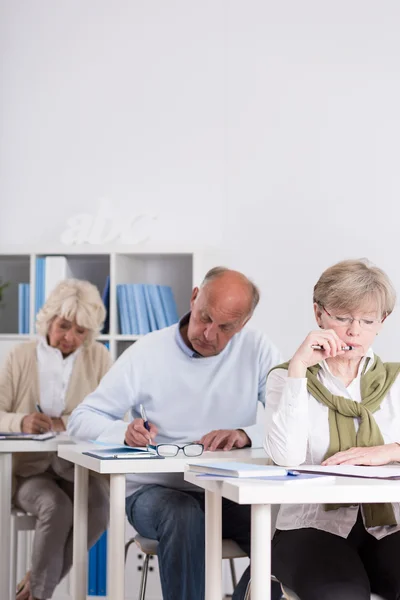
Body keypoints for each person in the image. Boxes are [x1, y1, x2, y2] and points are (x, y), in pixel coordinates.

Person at [68, 267, 282, 600]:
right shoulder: (146, 352)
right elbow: (81, 419)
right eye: (204, 318)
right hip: (155, 492)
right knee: (183, 514)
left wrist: (245, 434)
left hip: (224, 490)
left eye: (225, 327)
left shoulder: (257, 349)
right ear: (194, 297)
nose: (209, 334)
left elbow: (293, 421)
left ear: (244, 323)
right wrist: (124, 433)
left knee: (286, 526)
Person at [265, 258, 400, 600]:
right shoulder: (286, 377)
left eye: (367, 321)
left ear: (382, 322)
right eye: (342, 318)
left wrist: (390, 451)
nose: (354, 331)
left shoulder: (396, 379)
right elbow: (286, 458)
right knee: (342, 595)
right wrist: (298, 368)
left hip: (388, 527)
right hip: (308, 529)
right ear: (319, 314)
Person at [0, 279, 111, 600]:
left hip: (75, 468)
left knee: (101, 506)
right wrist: (22, 420)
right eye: (64, 326)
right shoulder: (19, 356)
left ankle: (34, 584)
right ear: (48, 320)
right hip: (29, 472)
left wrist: (72, 421)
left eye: (81, 332)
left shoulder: (99, 358)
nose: (70, 338)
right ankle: (38, 596)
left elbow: (111, 417)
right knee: (56, 507)